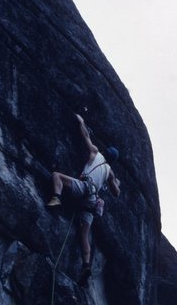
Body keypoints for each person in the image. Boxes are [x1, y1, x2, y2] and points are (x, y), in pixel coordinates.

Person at [47, 114, 121, 284]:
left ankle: (56, 198)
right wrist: (116, 183)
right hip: (92, 201)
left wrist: (81, 121)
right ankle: (86, 265)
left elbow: (85, 135)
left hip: (83, 188)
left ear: (105, 152)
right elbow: (116, 193)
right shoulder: (110, 172)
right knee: (84, 235)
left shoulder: (95, 152)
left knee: (56, 176)